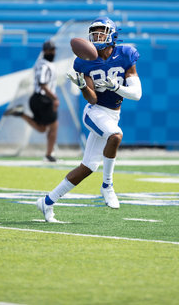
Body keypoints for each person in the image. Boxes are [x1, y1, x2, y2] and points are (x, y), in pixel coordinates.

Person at [36, 17, 142, 222]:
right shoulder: (84, 62)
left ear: (112, 34)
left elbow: (136, 94)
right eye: (94, 33)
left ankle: (47, 201)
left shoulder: (126, 54)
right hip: (94, 112)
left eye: (102, 32)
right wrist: (83, 86)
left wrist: (116, 88)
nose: (97, 36)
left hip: (113, 114)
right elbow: (92, 98)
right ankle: (107, 186)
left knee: (88, 167)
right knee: (116, 135)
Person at [4, 40, 60, 162]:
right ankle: (49, 155)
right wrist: (54, 98)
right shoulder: (44, 64)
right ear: (45, 51)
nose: (53, 52)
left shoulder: (44, 64)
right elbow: (43, 84)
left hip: (37, 98)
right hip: (43, 99)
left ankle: (21, 113)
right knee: (54, 126)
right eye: (50, 50)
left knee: (42, 128)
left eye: (53, 50)